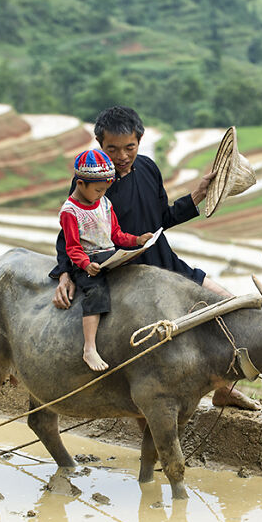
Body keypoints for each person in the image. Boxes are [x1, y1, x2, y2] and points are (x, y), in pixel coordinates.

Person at [50, 106, 258, 410]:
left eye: (129, 147)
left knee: (228, 303)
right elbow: (69, 235)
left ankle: (223, 387)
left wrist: (198, 194)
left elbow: (162, 218)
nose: (122, 155)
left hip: (164, 260)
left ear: (140, 140)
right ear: (100, 145)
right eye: (112, 148)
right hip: (126, 273)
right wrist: (64, 274)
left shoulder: (148, 168)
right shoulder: (92, 181)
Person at [59, 148, 153, 371]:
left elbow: (116, 235)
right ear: (80, 184)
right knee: (97, 292)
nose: (102, 194)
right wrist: (85, 265)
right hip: (89, 262)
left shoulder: (105, 203)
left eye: (105, 190)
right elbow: (72, 247)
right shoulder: (70, 211)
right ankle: (89, 348)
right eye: (98, 190)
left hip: (110, 255)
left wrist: (137, 240)